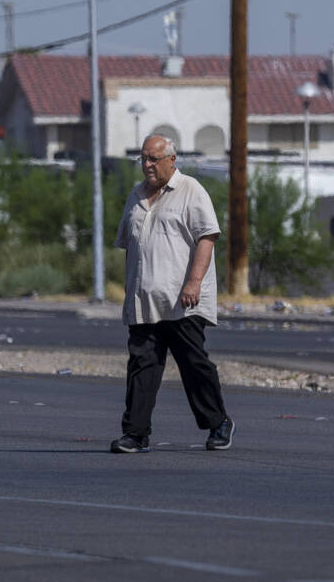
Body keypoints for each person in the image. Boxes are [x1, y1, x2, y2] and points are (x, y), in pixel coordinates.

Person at [110, 134, 234, 453]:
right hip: (144, 301)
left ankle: (218, 423)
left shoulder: (191, 190)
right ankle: (135, 434)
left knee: (193, 365)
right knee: (142, 366)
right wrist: (129, 289)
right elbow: (131, 248)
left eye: (154, 159)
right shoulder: (135, 196)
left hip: (183, 301)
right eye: (144, 159)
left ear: (171, 160)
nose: (148, 165)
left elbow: (207, 237)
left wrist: (194, 281)